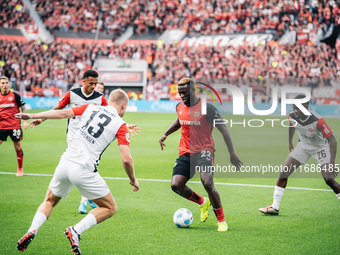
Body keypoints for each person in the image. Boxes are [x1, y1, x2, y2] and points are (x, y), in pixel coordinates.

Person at [16, 89, 139, 254]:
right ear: (124, 105)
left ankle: (32, 230)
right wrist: (133, 179)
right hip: (84, 169)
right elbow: (126, 159)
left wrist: (32, 115)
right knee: (110, 207)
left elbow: (62, 114)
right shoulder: (121, 125)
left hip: (65, 162)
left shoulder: (90, 107)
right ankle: (76, 230)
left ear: (109, 101)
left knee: (50, 201)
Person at [159, 78, 243, 232]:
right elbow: (180, 120)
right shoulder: (179, 106)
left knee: (208, 183)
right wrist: (166, 134)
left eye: (185, 93)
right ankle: (202, 202)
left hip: (204, 150)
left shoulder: (208, 109)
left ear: (193, 90)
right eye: (180, 93)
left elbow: (224, 130)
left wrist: (232, 154)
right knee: (176, 185)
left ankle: (221, 221)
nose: (182, 96)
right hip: (186, 151)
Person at [259, 95, 340, 215]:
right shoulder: (292, 116)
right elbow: (291, 125)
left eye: (298, 108)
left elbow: (333, 141)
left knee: (328, 179)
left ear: (306, 107)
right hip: (303, 146)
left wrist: (332, 163)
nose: (295, 111)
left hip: (320, 148)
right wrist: (290, 141)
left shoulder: (317, 120)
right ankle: (275, 207)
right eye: (293, 108)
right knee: (283, 173)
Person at [0, 76, 28, 176]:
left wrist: (25, 121)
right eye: (2, 83)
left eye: (6, 83)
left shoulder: (15, 96)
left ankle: (20, 169)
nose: (5, 85)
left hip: (14, 126)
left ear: (9, 84)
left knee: (17, 146)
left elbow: (23, 108)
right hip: (1, 126)